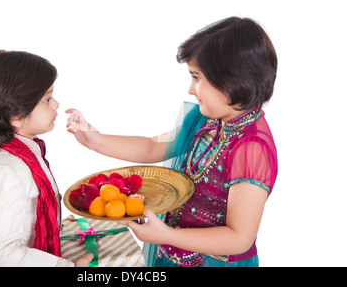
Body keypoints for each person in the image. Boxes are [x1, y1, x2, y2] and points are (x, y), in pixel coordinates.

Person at [66, 17, 278, 267]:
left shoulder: (252, 148)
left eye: (197, 78)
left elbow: (239, 238)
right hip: (171, 252)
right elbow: (154, 146)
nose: (191, 89)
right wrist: (96, 140)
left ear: (232, 80)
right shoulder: (205, 118)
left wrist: (167, 235)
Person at [0, 50, 94, 267]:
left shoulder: (20, 154)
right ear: (15, 115)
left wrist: (53, 224)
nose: (56, 104)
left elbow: (23, 218)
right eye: (47, 99)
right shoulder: (11, 172)